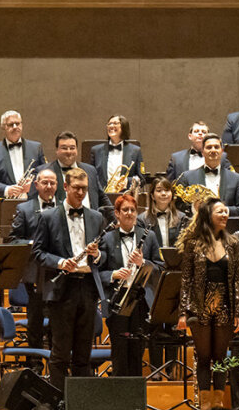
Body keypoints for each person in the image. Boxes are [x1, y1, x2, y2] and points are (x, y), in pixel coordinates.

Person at [32, 168, 107, 395]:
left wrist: (97, 255)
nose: (81, 193)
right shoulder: (47, 217)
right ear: (65, 187)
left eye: (84, 188)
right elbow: (37, 253)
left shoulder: (96, 217)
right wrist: (60, 262)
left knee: (83, 353)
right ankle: (59, 404)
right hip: (62, 289)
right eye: (76, 188)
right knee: (61, 353)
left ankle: (82, 405)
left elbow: (103, 254)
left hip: (87, 287)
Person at [178, 198, 239, 410]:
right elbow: (186, 280)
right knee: (204, 357)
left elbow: (237, 279)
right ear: (208, 214)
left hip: (225, 306)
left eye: (226, 211)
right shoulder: (193, 243)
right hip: (200, 306)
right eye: (220, 212)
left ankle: (218, 406)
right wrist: (182, 313)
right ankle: (205, 408)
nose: (225, 215)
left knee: (221, 357)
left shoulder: (234, 242)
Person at [97, 194, 161, 378]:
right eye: (125, 210)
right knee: (119, 351)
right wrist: (113, 275)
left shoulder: (149, 236)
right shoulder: (108, 239)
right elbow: (98, 273)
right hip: (117, 301)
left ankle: (135, 402)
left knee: (137, 349)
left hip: (141, 300)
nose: (130, 213)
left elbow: (159, 268)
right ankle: (120, 399)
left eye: (133, 210)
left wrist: (144, 263)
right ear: (116, 213)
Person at [37, 132, 106, 210]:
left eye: (72, 148)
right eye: (64, 148)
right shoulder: (43, 171)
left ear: (77, 150)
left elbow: (102, 198)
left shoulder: (91, 170)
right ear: (57, 150)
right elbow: (34, 203)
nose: (69, 152)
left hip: (90, 220)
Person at [0, 110, 44, 200]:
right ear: (3, 127)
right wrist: (7, 189)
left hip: (32, 202)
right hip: (6, 205)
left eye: (17, 123)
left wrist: (31, 186)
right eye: (10, 124)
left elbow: (44, 175)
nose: (15, 127)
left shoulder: (36, 148)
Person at [177, 134, 239, 208]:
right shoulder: (187, 177)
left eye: (216, 147)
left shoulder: (235, 178)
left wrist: (222, 210)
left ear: (222, 151)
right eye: (209, 147)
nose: (213, 150)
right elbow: (178, 206)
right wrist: (194, 208)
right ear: (202, 152)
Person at [89, 115, 145, 194]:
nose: (111, 126)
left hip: (125, 198)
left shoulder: (135, 151)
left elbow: (142, 179)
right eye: (109, 124)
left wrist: (127, 181)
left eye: (115, 123)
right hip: (102, 199)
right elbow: (91, 177)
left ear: (124, 126)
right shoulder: (96, 151)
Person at [141, 176, 186, 249]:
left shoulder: (182, 218)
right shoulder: (142, 220)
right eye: (159, 191)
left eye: (167, 190)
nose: (163, 193)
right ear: (152, 196)